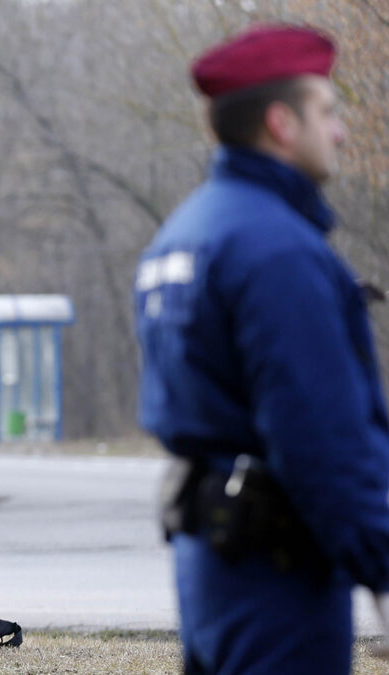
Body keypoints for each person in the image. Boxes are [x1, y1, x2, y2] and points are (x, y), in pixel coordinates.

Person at [133, 25, 389, 673]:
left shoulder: (183, 235)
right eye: (328, 112)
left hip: (212, 570)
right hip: (282, 578)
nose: (339, 132)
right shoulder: (276, 250)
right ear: (281, 122)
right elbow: (322, 436)